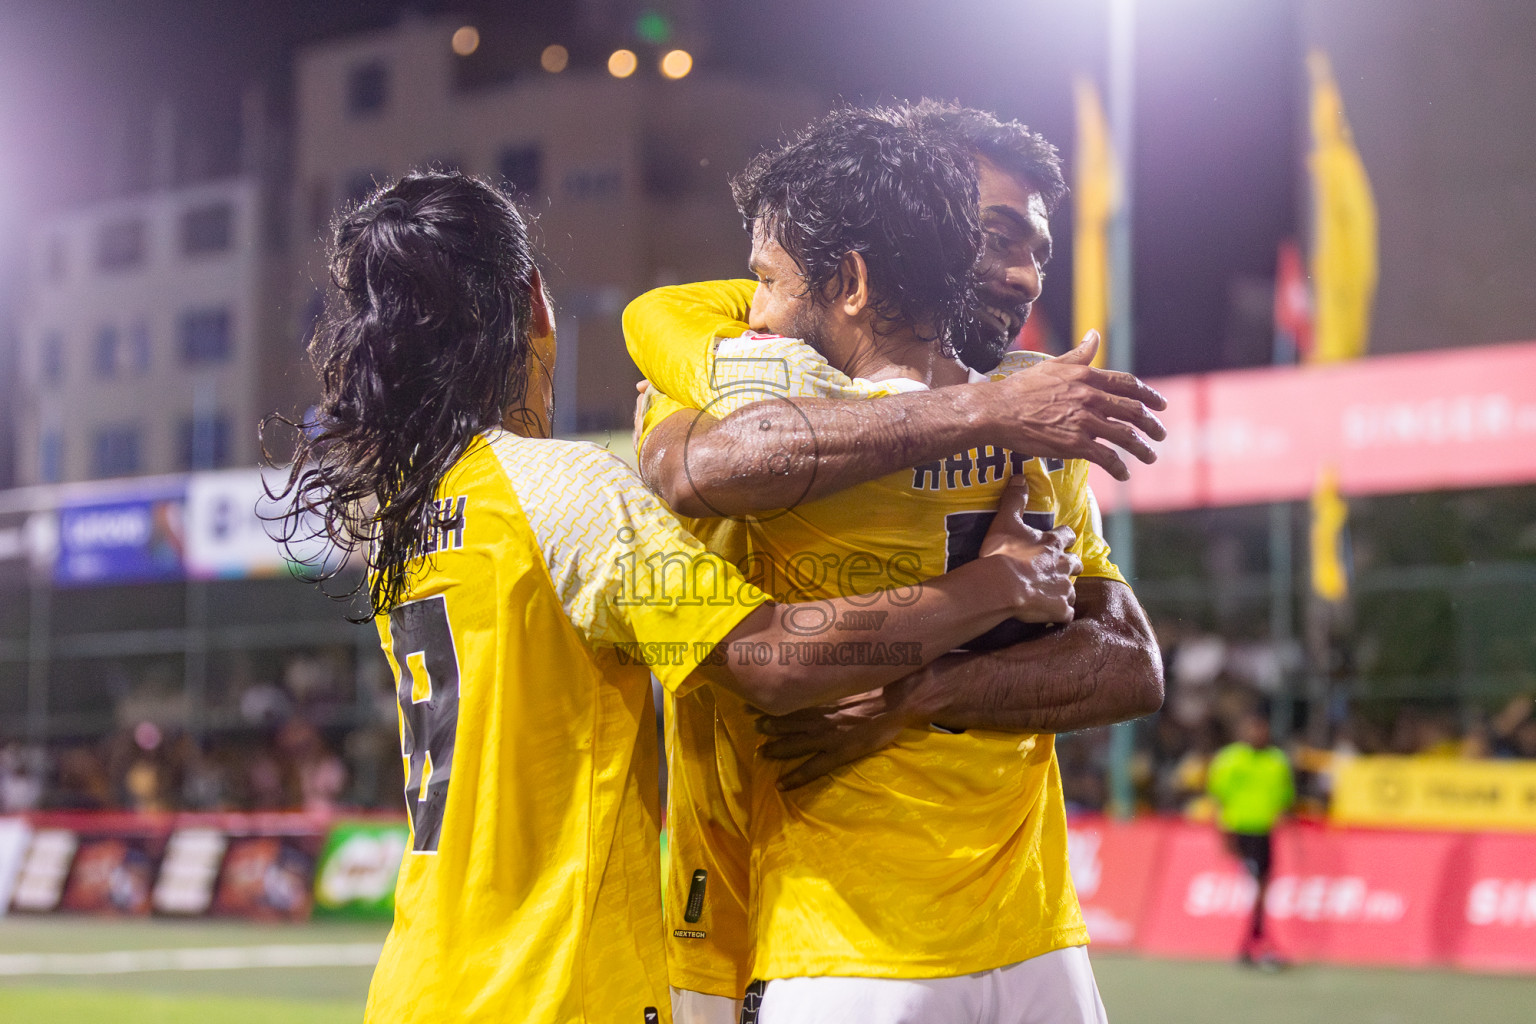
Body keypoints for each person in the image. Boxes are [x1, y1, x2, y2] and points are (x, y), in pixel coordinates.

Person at [268, 170, 1083, 1024]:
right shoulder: (566, 492)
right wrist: (991, 586)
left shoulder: (407, 518)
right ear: (534, 303)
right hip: (552, 987)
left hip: (417, 985)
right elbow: (771, 658)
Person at [627, 104, 1165, 1024]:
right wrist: (990, 579)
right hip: (789, 923)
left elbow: (1131, 665)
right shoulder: (758, 391)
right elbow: (700, 472)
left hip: (961, 936)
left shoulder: (1034, 417)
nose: (1022, 274)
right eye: (993, 235)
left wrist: (921, 693)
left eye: (1035, 245)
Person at [1207, 701, 1294, 968]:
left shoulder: (1277, 761)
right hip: (1240, 831)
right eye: (1253, 727)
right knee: (1255, 885)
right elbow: (1217, 799)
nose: (1258, 732)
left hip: (1264, 833)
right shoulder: (1230, 760)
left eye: (1262, 727)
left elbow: (1285, 799)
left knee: (1262, 886)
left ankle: (1250, 943)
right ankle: (1256, 941)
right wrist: (1224, 835)